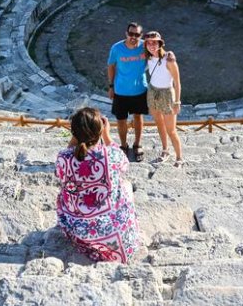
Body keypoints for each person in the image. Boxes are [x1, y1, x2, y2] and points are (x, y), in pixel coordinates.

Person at [55, 107, 139, 263]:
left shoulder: (63, 157)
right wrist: (106, 136)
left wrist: (75, 138)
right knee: (126, 184)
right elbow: (125, 165)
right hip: (115, 234)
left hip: (79, 231)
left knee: (62, 191)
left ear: (74, 132)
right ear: (99, 130)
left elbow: (60, 172)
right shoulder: (111, 154)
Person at [107, 22, 148, 161]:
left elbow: (159, 53)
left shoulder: (145, 46)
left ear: (141, 35)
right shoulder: (116, 48)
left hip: (140, 89)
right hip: (121, 90)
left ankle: (137, 144)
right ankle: (123, 145)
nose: (133, 37)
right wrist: (111, 86)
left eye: (137, 34)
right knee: (121, 120)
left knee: (138, 117)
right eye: (131, 33)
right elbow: (111, 66)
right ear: (126, 33)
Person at [143, 31, 184, 167]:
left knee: (171, 130)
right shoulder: (148, 57)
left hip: (167, 95)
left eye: (154, 42)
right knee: (159, 124)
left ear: (160, 43)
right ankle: (165, 151)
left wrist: (177, 101)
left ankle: (179, 157)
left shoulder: (169, 59)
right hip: (153, 92)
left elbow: (177, 83)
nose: (151, 45)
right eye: (148, 43)